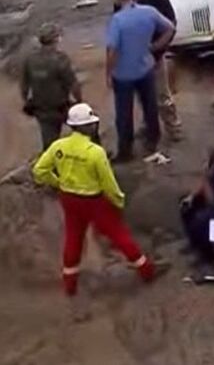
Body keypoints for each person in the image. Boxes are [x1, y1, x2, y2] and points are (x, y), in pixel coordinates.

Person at [31, 103, 157, 296]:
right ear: (85, 126)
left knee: (73, 238)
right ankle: (146, 270)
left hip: (69, 198)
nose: (94, 126)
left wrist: (57, 183)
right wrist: (118, 201)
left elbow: (39, 170)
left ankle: (70, 284)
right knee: (118, 234)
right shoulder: (95, 152)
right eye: (91, 123)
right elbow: (108, 183)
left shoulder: (59, 146)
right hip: (93, 200)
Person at [106, 0, 175, 162]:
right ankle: (153, 141)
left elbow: (112, 50)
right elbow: (170, 28)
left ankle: (125, 152)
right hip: (145, 68)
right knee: (150, 107)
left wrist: (108, 73)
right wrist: (156, 46)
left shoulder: (117, 21)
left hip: (124, 75)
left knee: (124, 114)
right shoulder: (149, 12)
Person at [116, 0, 182, 141]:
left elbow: (171, 24)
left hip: (155, 55)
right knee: (143, 96)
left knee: (162, 95)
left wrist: (156, 48)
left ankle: (173, 128)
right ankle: (148, 125)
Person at [20, 22, 82, 150]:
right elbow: (72, 83)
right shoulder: (60, 59)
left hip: (41, 107)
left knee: (50, 143)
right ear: (55, 39)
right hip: (61, 106)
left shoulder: (30, 59)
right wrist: (79, 102)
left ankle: (51, 166)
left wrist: (27, 101)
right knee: (86, 127)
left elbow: (24, 85)